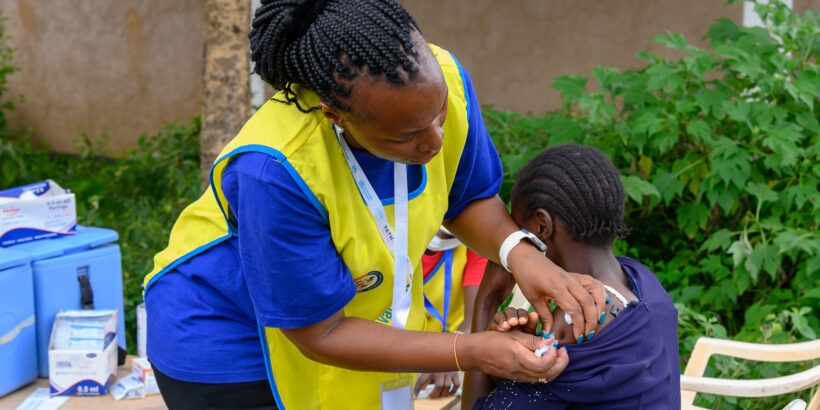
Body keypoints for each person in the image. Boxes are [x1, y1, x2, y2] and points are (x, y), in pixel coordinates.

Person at [142, 1, 607, 409]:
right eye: (405, 135)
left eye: (439, 113)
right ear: (333, 114)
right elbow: (320, 334)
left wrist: (520, 255)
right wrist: (470, 350)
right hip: (225, 339)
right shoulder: (274, 171)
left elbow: (467, 198)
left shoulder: (437, 81)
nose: (435, 141)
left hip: (345, 319)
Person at [463, 144, 681, 409]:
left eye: (517, 230)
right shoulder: (644, 281)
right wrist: (504, 362)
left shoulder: (574, 318)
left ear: (542, 225)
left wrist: (487, 300)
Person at [414, 229, 488, 398]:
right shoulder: (391, 244)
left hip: (456, 346)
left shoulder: (475, 245)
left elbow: (476, 317)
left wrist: (450, 355)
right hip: (399, 349)